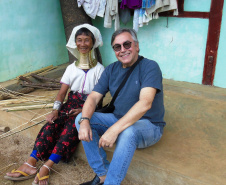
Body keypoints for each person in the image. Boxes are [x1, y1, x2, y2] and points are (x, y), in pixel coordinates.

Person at [4, 24, 105, 185]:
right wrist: (55, 110)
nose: (83, 44)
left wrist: (83, 110)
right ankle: (30, 163)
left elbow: (99, 98)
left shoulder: (100, 70)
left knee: (71, 129)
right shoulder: (71, 68)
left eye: (87, 40)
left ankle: (47, 166)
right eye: (79, 40)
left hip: (87, 107)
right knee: (50, 125)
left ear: (93, 42)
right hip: (70, 104)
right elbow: (61, 93)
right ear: (75, 43)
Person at [75, 28, 166, 185]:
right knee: (80, 118)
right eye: (117, 47)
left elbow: (145, 103)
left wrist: (114, 130)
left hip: (149, 125)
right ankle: (103, 174)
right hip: (118, 118)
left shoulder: (150, 67)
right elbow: (93, 97)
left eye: (127, 44)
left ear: (136, 46)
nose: (123, 50)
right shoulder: (111, 69)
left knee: (128, 131)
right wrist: (84, 121)